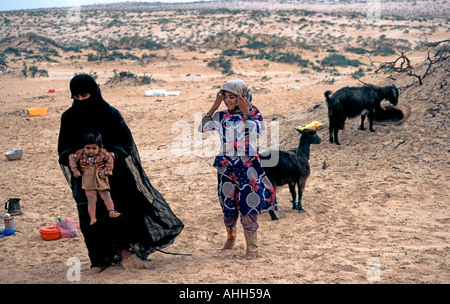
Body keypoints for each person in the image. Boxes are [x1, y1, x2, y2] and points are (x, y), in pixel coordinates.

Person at [58, 74, 184, 275]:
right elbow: (62, 150)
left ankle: (126, 254)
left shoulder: (110, 114)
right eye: (76, 97)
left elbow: (125, 143)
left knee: (118, 213)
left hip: (114, 176)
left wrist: (111, 155)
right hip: (84, 180)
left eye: (85, 95)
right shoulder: (69, 117)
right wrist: (75, 158)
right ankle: (97, 262)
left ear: (95, 92)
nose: (81, 100)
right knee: (89, 219)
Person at [198, 79, 277, 259]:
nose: (228, 101)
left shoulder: (254, 114)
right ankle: (230, 239)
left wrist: (246, 111)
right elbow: (202, 127)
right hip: (226, 167)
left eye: (232, 97)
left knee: (249, 205)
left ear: (243, 97)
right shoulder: (221, 116)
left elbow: (255, 133)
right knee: (228, 204)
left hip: (247, 166)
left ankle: (252, 248)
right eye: (225, 97)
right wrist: (214, 106)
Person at [69, 132, 120, 225]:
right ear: (84, 147)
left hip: (101, 178)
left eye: (94, 148)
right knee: (91, 199)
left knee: (106, 195)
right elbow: (72, 159)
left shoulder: (103, 153)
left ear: (99, 147)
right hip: (88, 179)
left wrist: (106, 171)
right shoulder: (80, 154)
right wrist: (75, 170)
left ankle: (111, 211)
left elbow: (110, 159)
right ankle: (92, 217)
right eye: (88, 148)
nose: (91, 151)